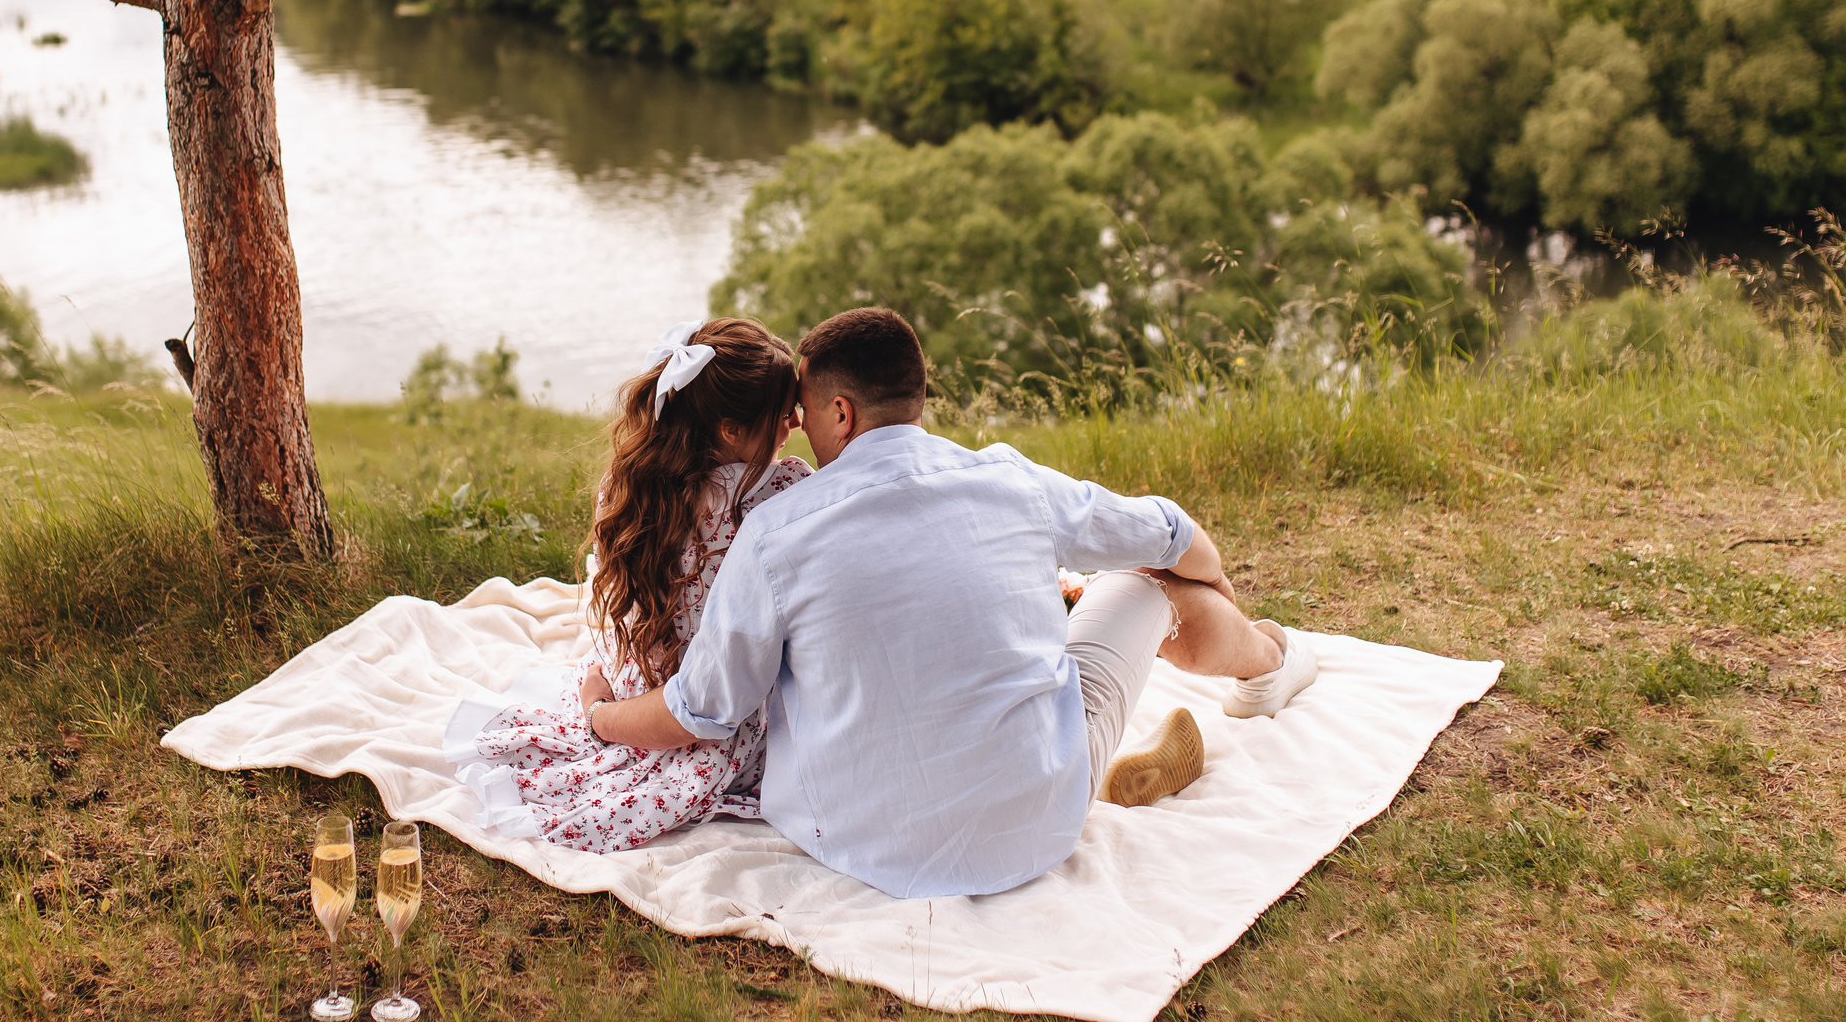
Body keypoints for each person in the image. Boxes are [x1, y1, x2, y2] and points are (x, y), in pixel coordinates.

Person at [581, 306, 1318, 900]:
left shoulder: (774, 531)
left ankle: (1136, 746)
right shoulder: (1010, 479)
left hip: (852, 841)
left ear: (841, 412)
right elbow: (1169, 532)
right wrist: (1213, 585)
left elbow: (703, 708)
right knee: (1151, 582)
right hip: (1036, 825)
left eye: (802, 409)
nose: (796, 428)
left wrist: (601, 716)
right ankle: (1268, 663)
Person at [446, 317, 813, 853]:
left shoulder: (628, 485)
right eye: (783, 415)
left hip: (641, 683)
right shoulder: (782, 491)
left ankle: (609, 715)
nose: (797, 424)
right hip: (730, 720)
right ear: (732, 429)